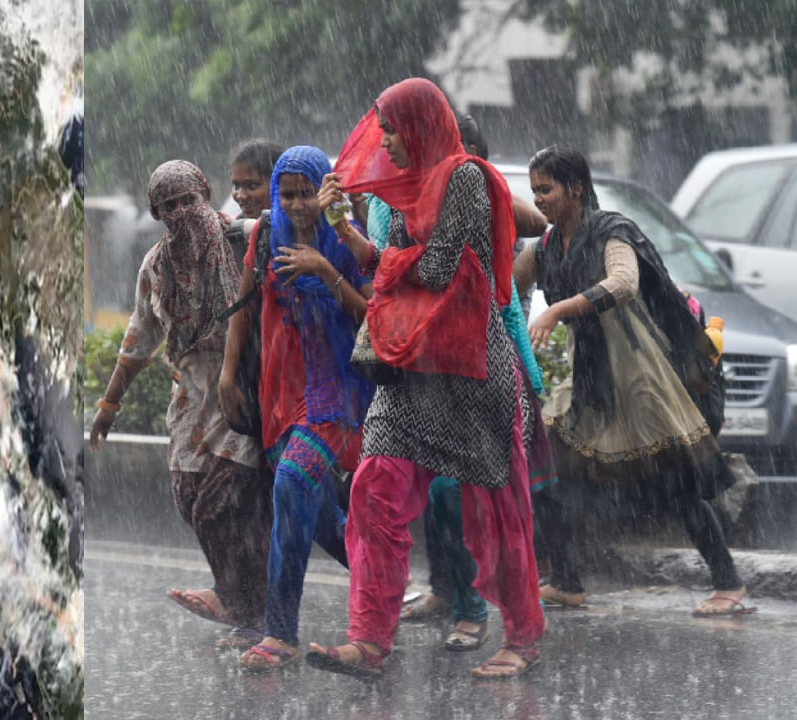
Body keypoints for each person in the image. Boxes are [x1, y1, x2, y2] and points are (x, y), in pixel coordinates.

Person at [306, 78, 545, 680]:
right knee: (372, 492)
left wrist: (382, 259)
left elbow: (436, 269)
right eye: (382, 127)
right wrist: (342, 226)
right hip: (410, 366)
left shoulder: (463, 177)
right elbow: (384, 265)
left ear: (419, 125)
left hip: (468, 369)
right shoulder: (406, 193)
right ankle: (367, 639)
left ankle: (520, 637)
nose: (384, 139)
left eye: (391, 127)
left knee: (497, 509)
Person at [517, 145, 751, 618]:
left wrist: (560, 309)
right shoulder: (544, 248)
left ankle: (728, 583)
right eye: (534, 191)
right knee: (545, 470)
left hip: (641, 376)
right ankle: (566, 581)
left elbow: (623, 283)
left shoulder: (612, 232)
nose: (539, 199)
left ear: (577, 188)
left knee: (678, 484)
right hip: (589, 381)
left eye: (547, 188)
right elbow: (507, 285)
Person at [89, 160, 274, 647]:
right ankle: (241, 600)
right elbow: (140, 336)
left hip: (242, 389)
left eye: (187, 200)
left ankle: (249, 608)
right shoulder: (157, 265)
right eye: (167, 206)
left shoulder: (243, 240)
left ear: (205, 194)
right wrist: (109, 404)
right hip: (190, 397)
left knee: (225, 501)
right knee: (190, 497)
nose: (180, 213)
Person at [395, 114, 555, 657]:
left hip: (487, 368)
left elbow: (534, 225)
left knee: (488, 499)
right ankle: (458, 598)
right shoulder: (410, 202)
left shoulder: (477, 191)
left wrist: (480, 182)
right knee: (435, 494)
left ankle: (503, 621)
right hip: (431, 371)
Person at [218, 145, 374, 670]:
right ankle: (381, 583)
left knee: (290, 484)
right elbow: (243, 308)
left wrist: (324, 268)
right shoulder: (265, 235)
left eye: (307, 193)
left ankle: (279, 632)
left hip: (335, 392)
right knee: (320, 512)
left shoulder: (347, 238)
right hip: (280, 391)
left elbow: (371, 315)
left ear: (324, 191)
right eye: (288, 195)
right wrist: (227, 373)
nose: (298, 204)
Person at [230, 139, 284, 221]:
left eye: (252, 186)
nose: (240, 196)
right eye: (236, 186)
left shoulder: (300, 228)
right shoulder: (233, 229)